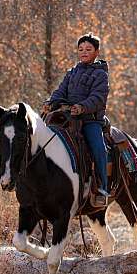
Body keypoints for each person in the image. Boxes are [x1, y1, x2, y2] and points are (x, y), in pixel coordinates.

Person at [43, 33, 110, 206]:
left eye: (88, 49)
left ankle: (102, 188)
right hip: (67, 117)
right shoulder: (71, 73)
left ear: (97, 52)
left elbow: (98, 97)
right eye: (81, 49)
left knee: (98, 148)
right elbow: (60, 91)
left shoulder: (101, 75)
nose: (84, 52)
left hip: (90, 120)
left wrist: (82, 107)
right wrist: (51, 102)